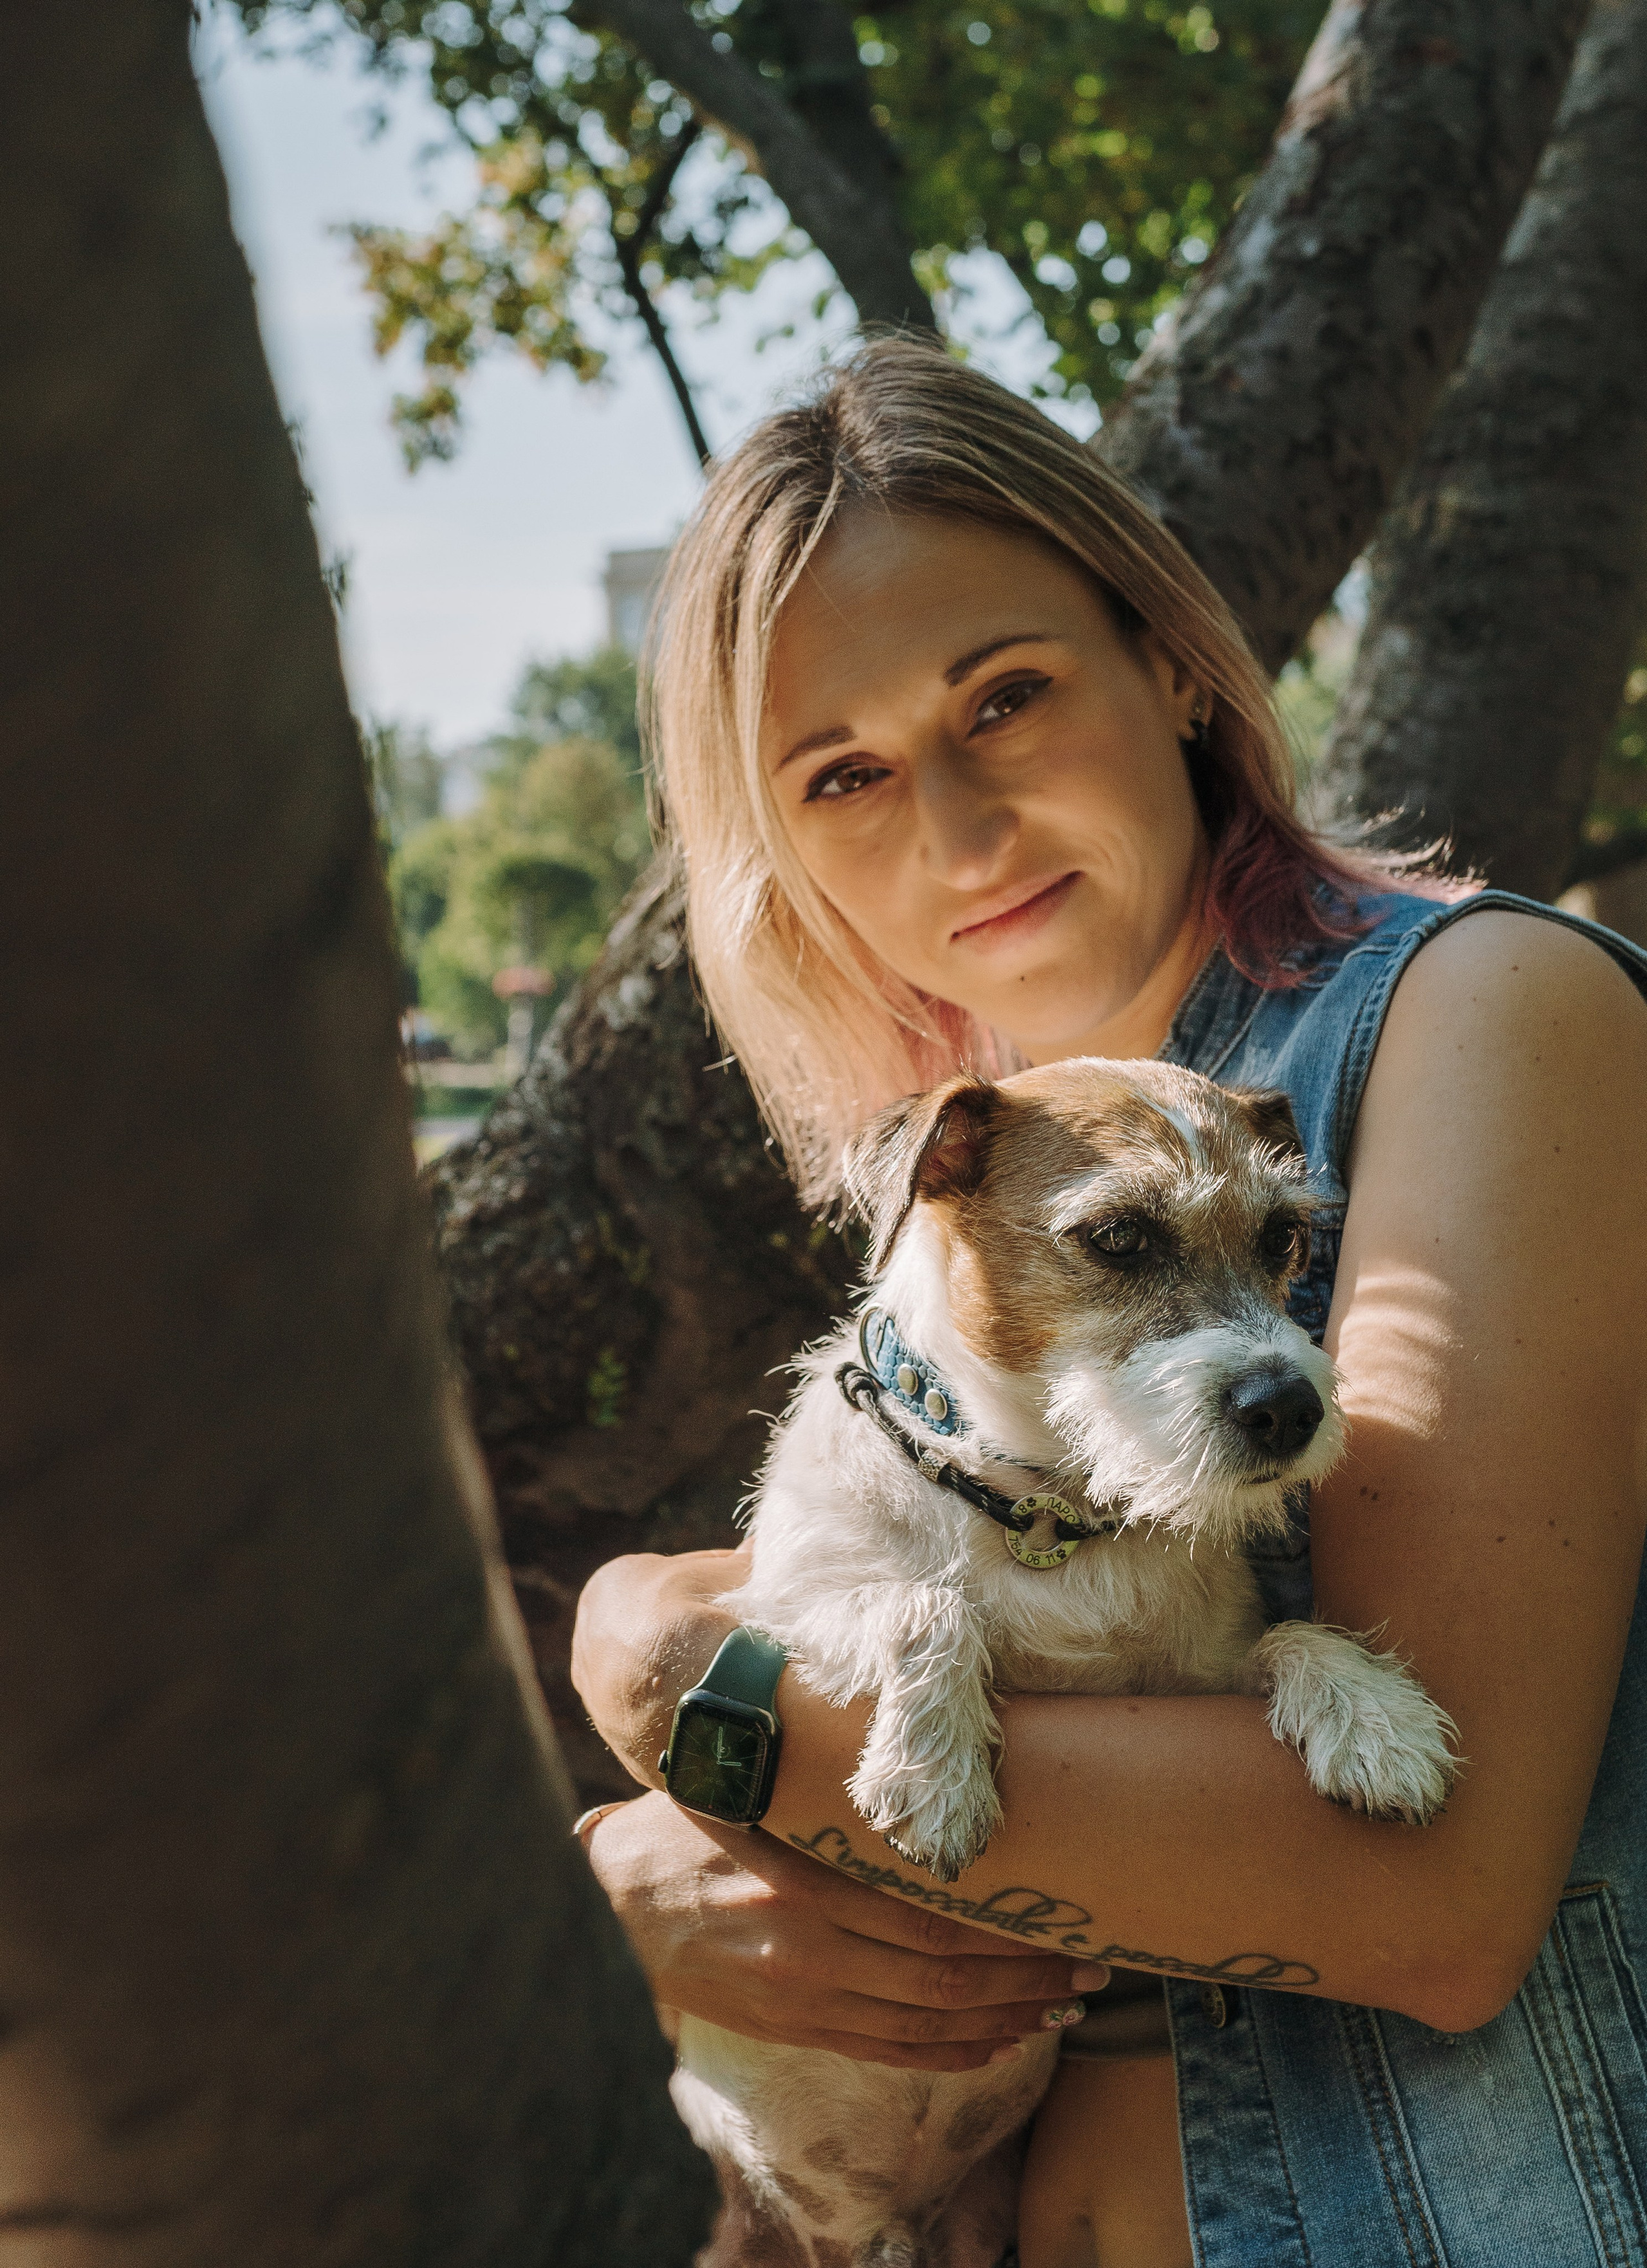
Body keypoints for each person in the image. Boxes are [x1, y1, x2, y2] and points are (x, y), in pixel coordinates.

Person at [568, 338, 1647, 2267]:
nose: (961, 829)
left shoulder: (1481, 1014)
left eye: (1006, 694)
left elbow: (1447, 1890)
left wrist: (685, 1697)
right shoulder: (987, 1188)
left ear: (1166, 659)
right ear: (782, 851)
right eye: (845, 774)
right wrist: (621, 1883)